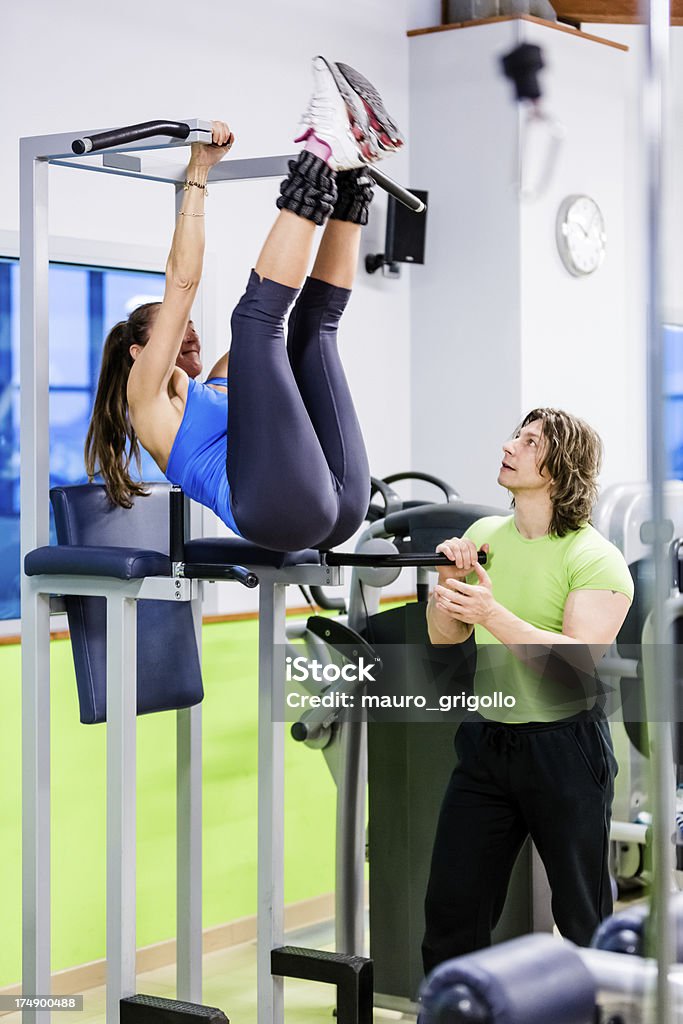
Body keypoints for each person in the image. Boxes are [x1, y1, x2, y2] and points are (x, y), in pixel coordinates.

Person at [84, 56, 403, 553]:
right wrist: (198, 173)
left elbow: (276, 343)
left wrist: (344, 193)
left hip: (337, 504)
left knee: (310, 329)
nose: (189, 334)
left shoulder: (219, 384)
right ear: (139, 352)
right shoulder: (148, 396)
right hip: (277, 512)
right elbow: (183, 282)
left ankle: (351, 183)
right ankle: (321, 150)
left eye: (190, 328)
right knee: (256, 320)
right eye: (174, 330)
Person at [421, 408, 634, 973]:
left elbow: (572, 668)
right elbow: (445, 638)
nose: (510, 445)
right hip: (487, 745)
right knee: (451, 913)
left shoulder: (594, 558)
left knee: (585, 920)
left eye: (530, 440)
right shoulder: (481, 536)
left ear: (561, 466)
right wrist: (447, 589)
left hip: (565, 750)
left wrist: (492, 612)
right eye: (516, 434)